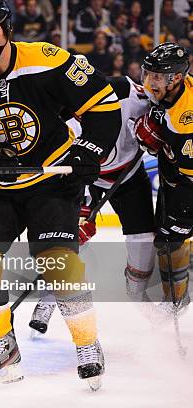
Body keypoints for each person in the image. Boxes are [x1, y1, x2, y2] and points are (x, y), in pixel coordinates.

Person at [0, 0, 121, 389]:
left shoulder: (47, 59)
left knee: (59, 263)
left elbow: (104, 105)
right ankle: (3, 346)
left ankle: (88, 345)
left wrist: (89, 151)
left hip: (53, 179)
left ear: (0, 32)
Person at [29, 75, 156, 334]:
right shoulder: (59, 118)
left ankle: (138, 291)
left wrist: (157, 127)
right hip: (86, 177)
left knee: (143, 241)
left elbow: (162, 106)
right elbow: (62, 166)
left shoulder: (125, 92)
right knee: (68, 239)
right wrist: (82, 205)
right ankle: (48, 296)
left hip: (129, 177)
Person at [132, 43, 192, 316]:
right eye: (149, 73)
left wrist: (183, 220)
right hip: (177, 179)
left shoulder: (185, 121)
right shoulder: (176, 92)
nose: (149, 82)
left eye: (156, 77)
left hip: (188, 183)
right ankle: (175, 301)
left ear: (175, 78)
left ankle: (177, 302)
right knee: (167, 244)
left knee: (173, 239)